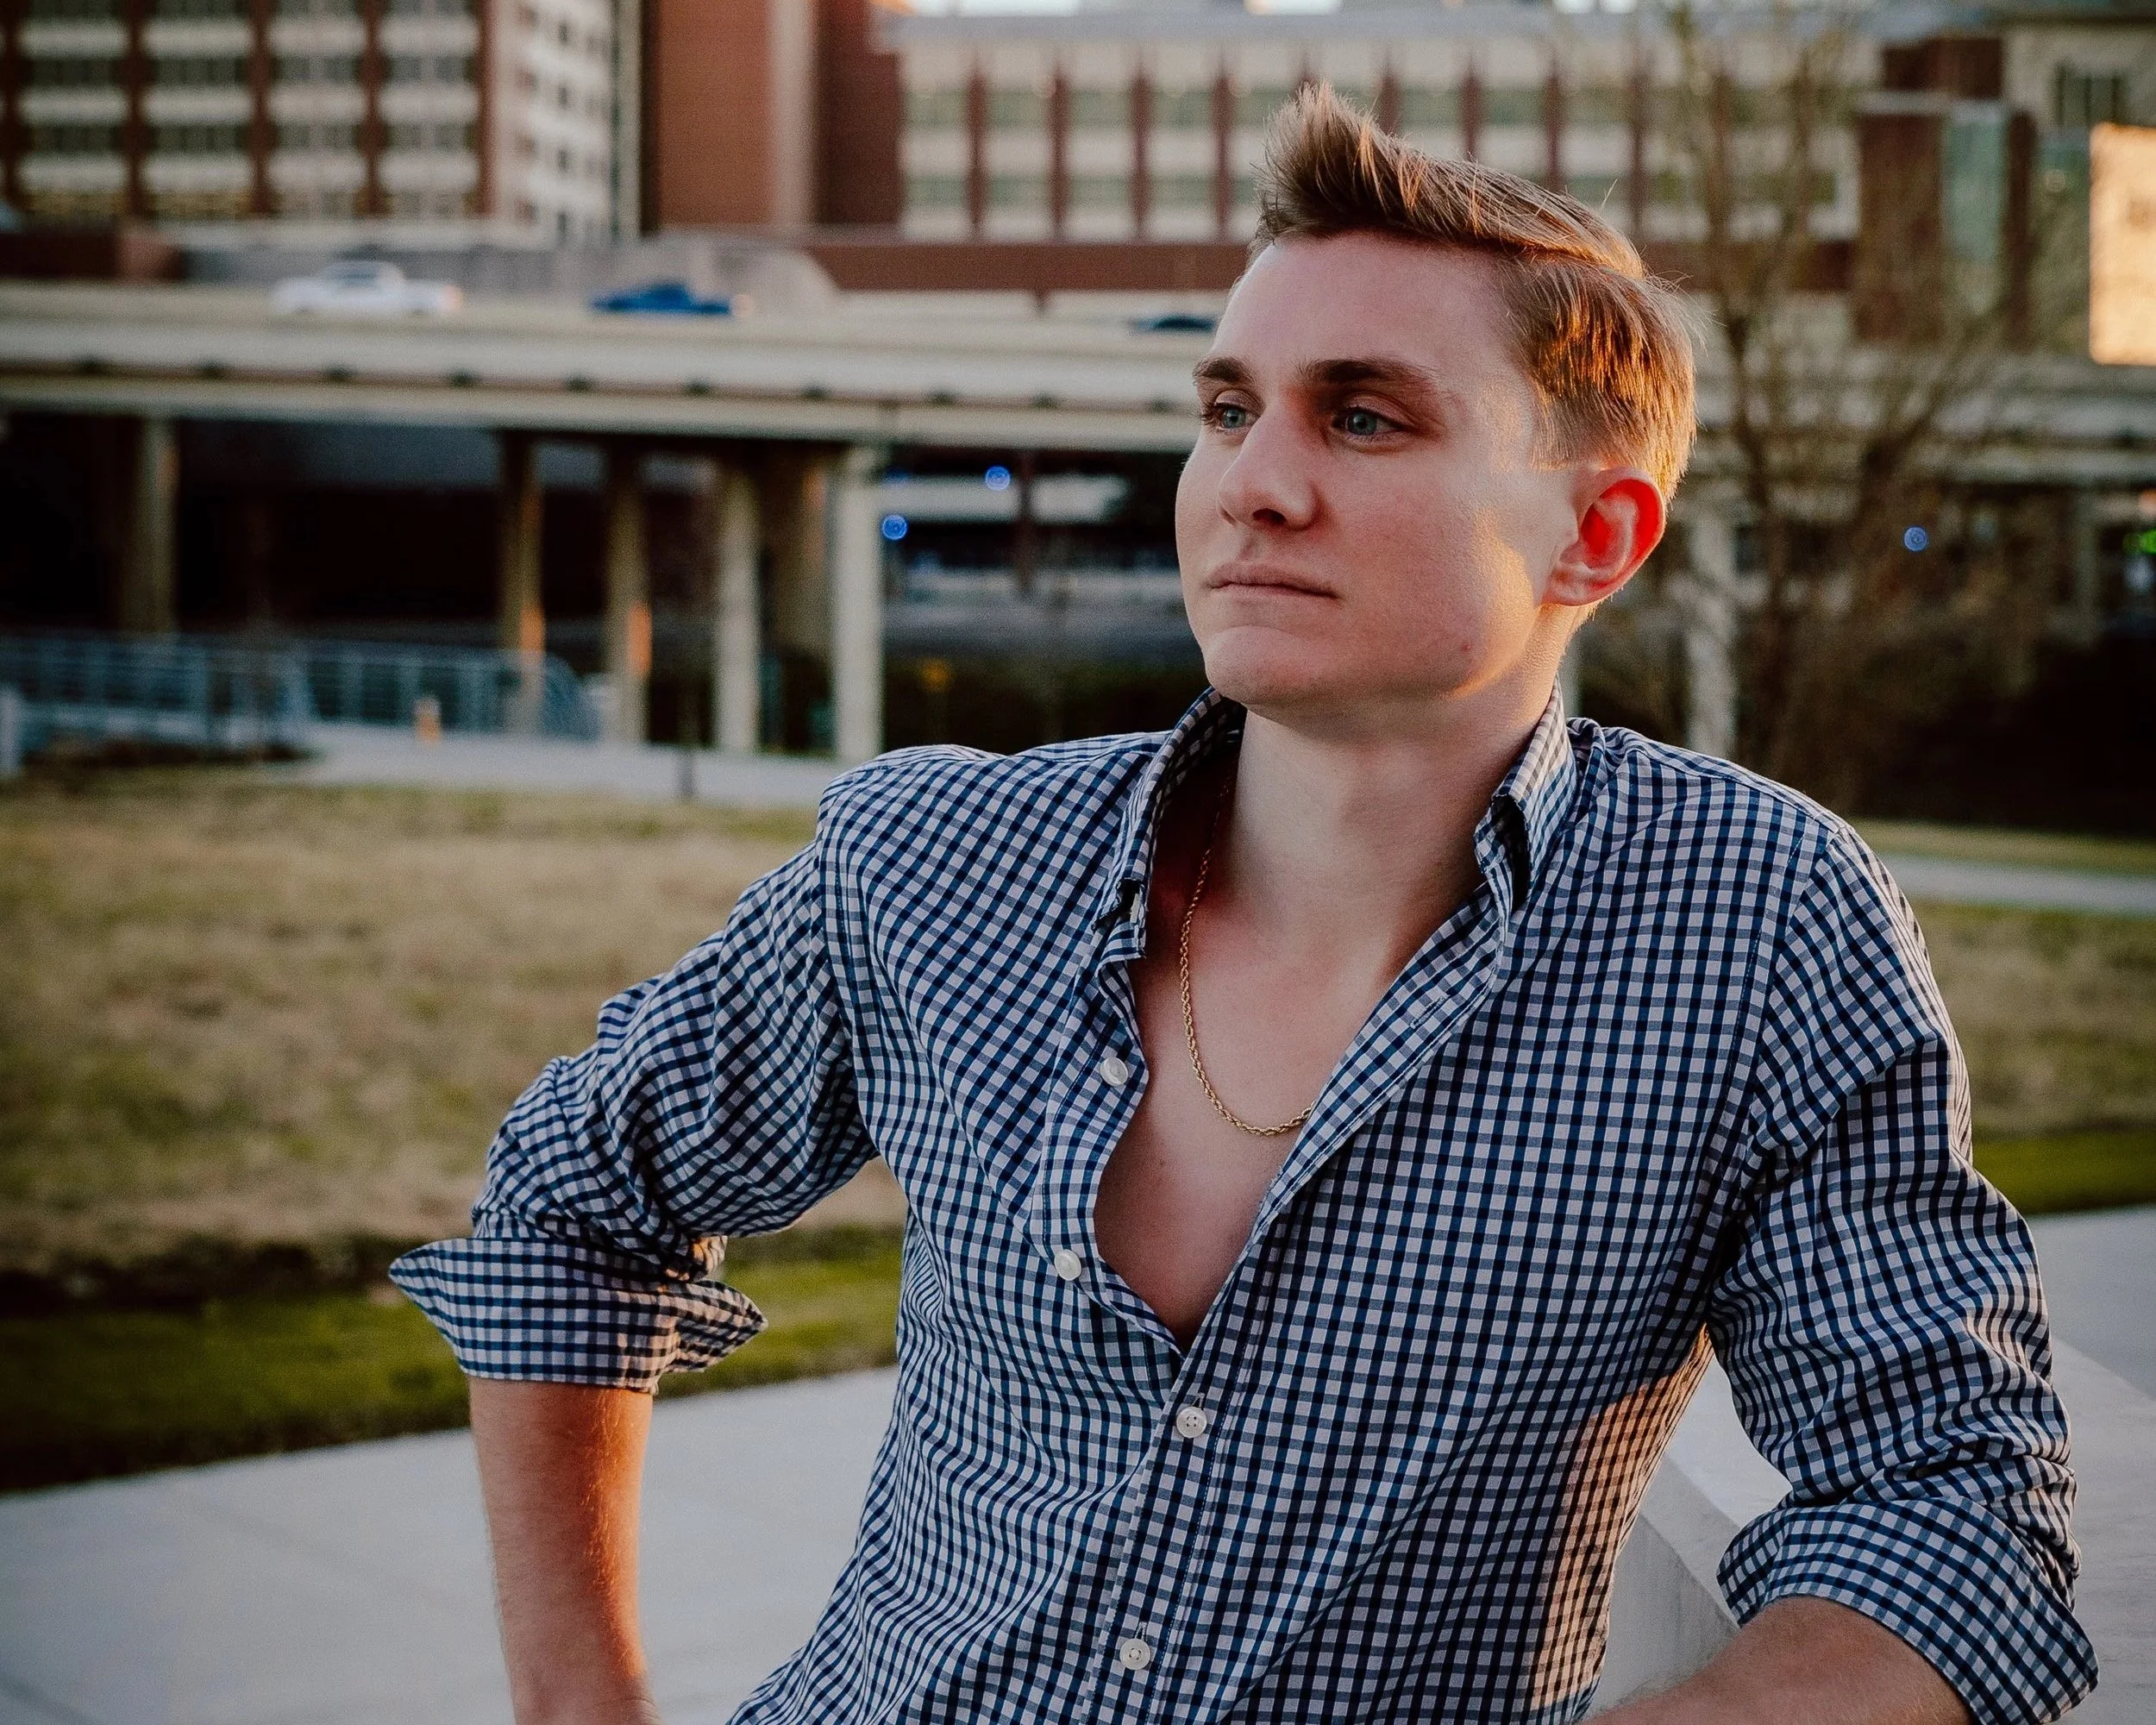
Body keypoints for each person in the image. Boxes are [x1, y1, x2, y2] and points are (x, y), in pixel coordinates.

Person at [392, 88, 2096, 1725]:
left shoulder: (1758, 929)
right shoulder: (932, 862)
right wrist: (576, 1706)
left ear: (1595, 535)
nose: (1245, 483)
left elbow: (1950, 1508)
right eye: (1225, 407)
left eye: (1361, 415)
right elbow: (569, 1198)